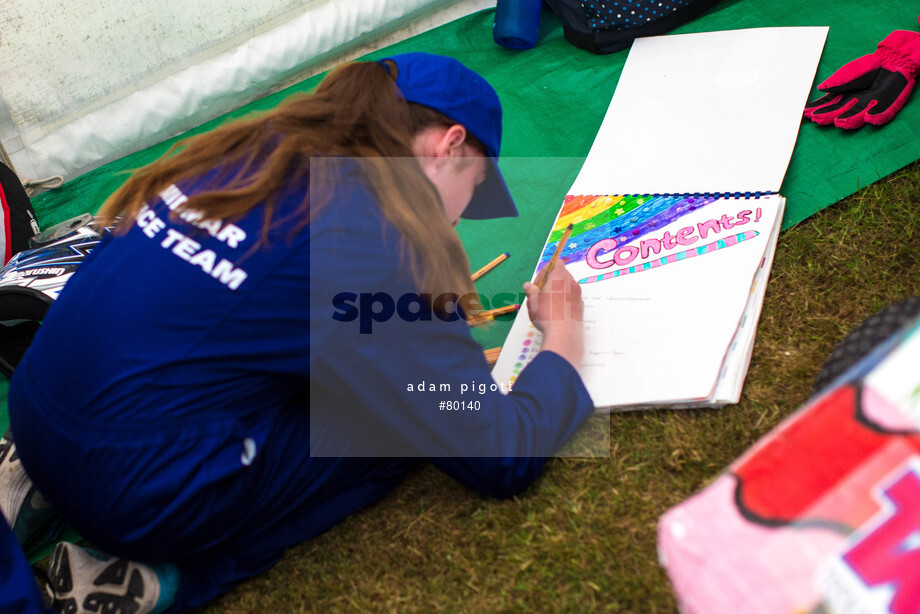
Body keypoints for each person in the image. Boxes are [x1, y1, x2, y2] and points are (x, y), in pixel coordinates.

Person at [3, 52, 593, 613]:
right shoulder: (378, 237)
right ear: (450, 146)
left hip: (36, 417)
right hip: (130, 493)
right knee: (397, 423)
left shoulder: (248, 150)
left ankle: (34, 482)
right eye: (475, 191)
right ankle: (166, 578)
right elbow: (501, 452)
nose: (461, 218)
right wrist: (562, 335)